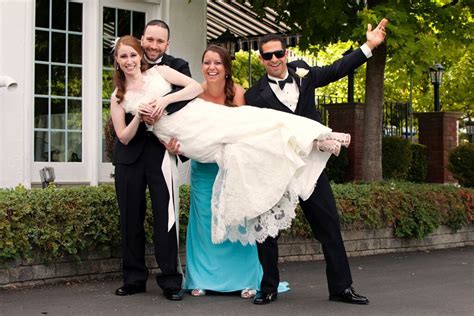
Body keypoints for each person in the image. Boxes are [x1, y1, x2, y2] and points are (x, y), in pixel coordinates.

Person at [112, 35, 350, 259]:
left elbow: (194, 88)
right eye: (123, 56)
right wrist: (140, 117)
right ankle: (309, 142)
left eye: (132, 55)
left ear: (140, 56)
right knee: (242, 146)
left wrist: (164, 100)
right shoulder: (117, 96)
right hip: (186, 139)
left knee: (250, 121)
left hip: (197, 116)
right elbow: (123, 136)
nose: (129, 61)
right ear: (117, 60)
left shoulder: (159, 72)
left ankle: (316, 138)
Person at [244, 19, 389, 305]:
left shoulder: (305, 74)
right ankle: (268, 286)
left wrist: (369, 46)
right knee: (267, 228)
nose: (274, 59)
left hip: (311, 166)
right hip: (277, 168)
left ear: (286, 53)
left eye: (278, 53)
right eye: (267, 55)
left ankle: (341, 288)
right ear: (261, 60)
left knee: (329, 226)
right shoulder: (253, 95)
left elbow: (338, 68)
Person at [113, 20, 191, 301]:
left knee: (165, 217)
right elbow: (120, 133)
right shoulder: (120, 87)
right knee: (130, 219)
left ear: (167, 44)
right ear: (141, 40)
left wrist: (162, 110)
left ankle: (171, 280)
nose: (153, 46)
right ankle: (133, 278)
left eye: (160, 41)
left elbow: (188, 100)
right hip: (129, 156)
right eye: (149, 40)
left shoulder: (171, 68)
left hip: (162, 150)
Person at [183, 45, 262, 298]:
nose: (211, 67)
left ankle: (247, 279)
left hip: (232, 168)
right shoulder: (194, 93)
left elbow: (241, 131)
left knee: (237, 218)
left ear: (226, 68)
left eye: (217, 63)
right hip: (203, 168)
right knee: (204, 221)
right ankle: (201, 278)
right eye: (207, 62)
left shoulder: (237, 92)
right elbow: (188, 131)